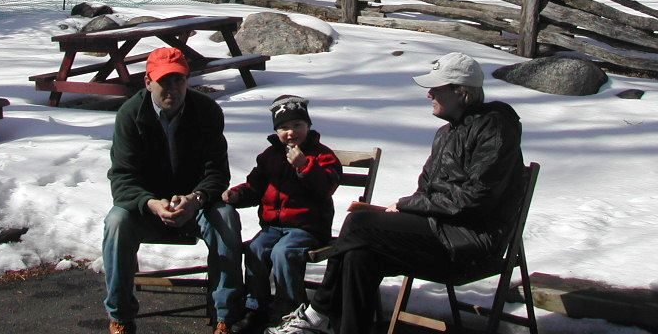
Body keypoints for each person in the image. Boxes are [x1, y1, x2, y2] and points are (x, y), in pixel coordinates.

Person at [264, 52, 525, 334]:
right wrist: (407, 208)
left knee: (358, 224)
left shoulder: (495, 128)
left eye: (436, 88)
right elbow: (427, 189)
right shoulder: (446, 134)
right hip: (440, 232)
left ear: (461, 92)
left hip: (470, 242)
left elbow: (475, 198)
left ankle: (319, 312)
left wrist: (407, 205)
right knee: (359, 255)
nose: (429, 94)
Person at [102, 46, 243, 334]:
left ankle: (225, 316)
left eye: (179, 80)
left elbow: (217, 172)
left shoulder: (207, 112)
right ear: (148, 82)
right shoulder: (130, 115)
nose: (173, 88)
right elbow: (122, 178)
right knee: (116, 222)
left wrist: (195, 199)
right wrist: (152, 203)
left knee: (227, 218)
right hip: (148, 208)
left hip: (196, 204)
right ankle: (120, 316)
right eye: (164, 81)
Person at [222, 95, 342, 334]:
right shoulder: (270, 156)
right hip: (273, 226)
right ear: (276, 131)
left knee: (283, 252)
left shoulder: (322, 155)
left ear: (308, 126)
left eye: (297, 125)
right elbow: (255, 187)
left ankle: (291, 309)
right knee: (256, 249)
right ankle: (256, 307)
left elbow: (327, 186)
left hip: (307, 227)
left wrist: (304, 166)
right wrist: (237, 195)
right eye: (284, 127)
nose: (291, 132)